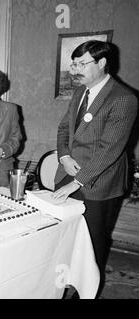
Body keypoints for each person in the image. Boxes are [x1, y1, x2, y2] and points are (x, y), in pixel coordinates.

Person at [52, 40, 138, 297]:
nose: (75, 69)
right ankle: (63, 284)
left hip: (99, 185)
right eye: (73, 64)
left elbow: (109, 150)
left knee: (91, 245)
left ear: (101, 63)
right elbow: (64, 129)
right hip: (67, 175)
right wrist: (64, 156)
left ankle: (86, 291)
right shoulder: (80, 93)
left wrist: (76, 181)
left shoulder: (124, 98)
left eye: (81, 63)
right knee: (66, 239)